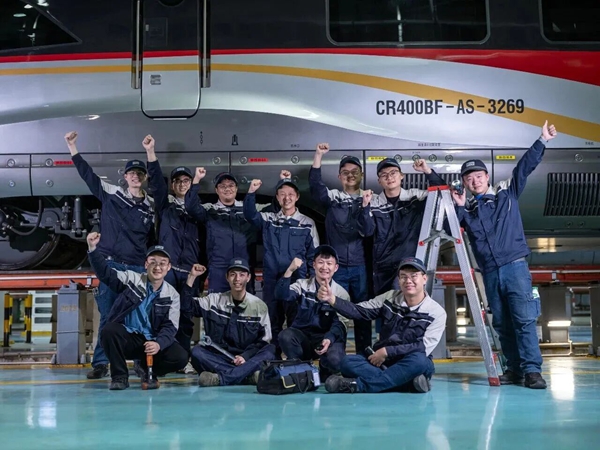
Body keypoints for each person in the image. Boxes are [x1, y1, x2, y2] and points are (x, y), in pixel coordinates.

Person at [451, 121, 558, 390]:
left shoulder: (505, 193)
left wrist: (542, 140)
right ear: (464, 183)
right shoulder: (468, 210)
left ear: (487, 177)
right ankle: (513, 369)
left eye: (478, 176)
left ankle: (532, 371)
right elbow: (454, 229)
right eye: (469, 178)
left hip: (514, 268)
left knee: (523, 320)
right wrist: (460, 207)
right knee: (502, 324)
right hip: (489, 273)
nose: (474, 181)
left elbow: (524, 167)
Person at [65, 131, 155, 380]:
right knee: (108, 316)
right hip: (111, 265)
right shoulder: (112, 193)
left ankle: (139, 363)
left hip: (136, 268)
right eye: (131, 173)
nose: (135, 176)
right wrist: (73, 148)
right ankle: (101, 363)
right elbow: (88, 176)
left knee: (139, 317)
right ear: (125, 177)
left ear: (144, 178)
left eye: (140, 173)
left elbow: (151, 238)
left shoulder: (150, 205)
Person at [321, 257, 447, 394]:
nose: (408, 281)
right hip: (382, 362)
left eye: (413, 276)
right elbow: (360, 311)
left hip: (409, 361)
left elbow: (422, 347)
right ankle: (407, 384)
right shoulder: (389, 298)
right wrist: (332, 299)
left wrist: (387, 351)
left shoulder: (436, 312)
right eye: (403, 276)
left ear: (424, 278)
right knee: (347, 362)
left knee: (420, 361)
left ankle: (358, 386)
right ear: (398, 280)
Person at [86, 232, 189, 390]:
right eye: (153, 262)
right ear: (146, 265)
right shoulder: (132, 279)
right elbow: (106, 274)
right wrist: (93, 249)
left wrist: (158, 344)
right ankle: (120, 377)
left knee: (180, 357)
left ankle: (148, 371)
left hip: (152, 342)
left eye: (162, 263)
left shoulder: (172, 295)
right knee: (109, 330)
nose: (157, 267)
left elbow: (170, 327)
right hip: (129, 340)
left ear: (168, 267)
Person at [309, 143, 374, 354]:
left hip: (359, 267)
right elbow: (316, 186)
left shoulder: (369, 199)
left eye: (354, 172)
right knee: (334, 312)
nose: (350, 175)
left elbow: (369, 231)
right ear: (339, 177)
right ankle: (335, 355)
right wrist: (318, 155)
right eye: (345, 172)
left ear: (361, 175)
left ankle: (365, 355)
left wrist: (365, 207)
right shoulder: (333, 197)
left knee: (362, 311)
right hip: (337, 269)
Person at [243, 177, 320, 351]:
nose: (287, 198)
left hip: (296, 281)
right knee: (272, 320)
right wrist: (251, 192)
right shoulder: (268, 219)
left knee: (296, 320)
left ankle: (295, 357)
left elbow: (313, 254)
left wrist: (313, 281)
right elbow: (250, 215)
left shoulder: (307, 223)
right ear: (277, 198)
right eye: (282, 194)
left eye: (291, 194)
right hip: (272, 280)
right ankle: (274, 356)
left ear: (297, 197)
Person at [142, 135, 200, 358]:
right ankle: (156, 357)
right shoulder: (166, 206)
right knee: (159, 314)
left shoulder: (199, 210)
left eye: (186, 181)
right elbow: (157, 183)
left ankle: (182, 357)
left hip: (190, 273)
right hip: (168, 272)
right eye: (177, 181)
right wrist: (151, 152)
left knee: (185, 316)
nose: (182, 184)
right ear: (172, 185)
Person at [184, 169, 285, 294]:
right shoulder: (210, 209)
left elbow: (275, 207)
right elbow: (190, 207)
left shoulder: (249, 209)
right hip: (218, 270)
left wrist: (283, 182)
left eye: (231, 185)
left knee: (245, 306)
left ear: (236, 188)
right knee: (217, 305)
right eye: (222, 186)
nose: (227, 189)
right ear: (216, 190)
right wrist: (197, 179)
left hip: (244, 270)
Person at [183, 258, 275, 386]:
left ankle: (221, 379)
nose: (237, 279)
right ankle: (247, 377)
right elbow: (186, 307)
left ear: (248, 278)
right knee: (197, 352)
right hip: (220, 358)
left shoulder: (259, 307)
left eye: (242, 275)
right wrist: (192, 277)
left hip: (247, 359)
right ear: (227, 277)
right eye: (233, 274)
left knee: (270, 351)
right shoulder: (213, 301)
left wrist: (245, 356)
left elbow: (263, 341)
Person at [366, 157, 446, 296]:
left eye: (393, 173)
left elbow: (442, 193)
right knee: (383, 304)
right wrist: (364, 207)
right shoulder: (373, 203)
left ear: (401, 176)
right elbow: (366, 231)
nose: (389, 177)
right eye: (384, 175)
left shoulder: (415, 197)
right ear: (379, 181)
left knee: (404, 304)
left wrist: (427, 171)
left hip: (409, 265)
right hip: (383, 267)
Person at [275, 245, 350, 381]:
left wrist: (329, 338)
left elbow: (341, 324)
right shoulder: (301, 285)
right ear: (314, 265)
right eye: (321, 262)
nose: (324, 267)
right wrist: (290, 270)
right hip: (304, 338)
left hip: (326, 339)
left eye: (329, 263)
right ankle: (301, 368)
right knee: (285, 336)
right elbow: (281, 295)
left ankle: (325, 370)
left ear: (336, 268)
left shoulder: (341, 294)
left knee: (336, 359)